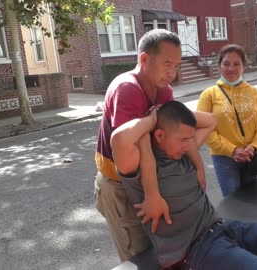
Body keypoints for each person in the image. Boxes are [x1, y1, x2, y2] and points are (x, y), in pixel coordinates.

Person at [111, 100, 257, 270]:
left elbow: (211, 120)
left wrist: (163, 111)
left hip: (222, 227)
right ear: (159, 136)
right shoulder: (140, 165)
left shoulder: (182, 152)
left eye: (189, 139)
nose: (189, 144)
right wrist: (151, 119)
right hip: (194, 251)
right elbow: (119, 139)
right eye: (183, 139)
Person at [94, 29, 206, 262]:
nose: (172, 72)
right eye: (167, 64)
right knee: (138, 254)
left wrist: (199, 168)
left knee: (161, 250)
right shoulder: (127, 89)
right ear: (144, 59)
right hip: (121, 186)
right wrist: (153, 194)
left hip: (148, 177)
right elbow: (136, 144)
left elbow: (179, 131)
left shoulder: (164, 91)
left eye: (176, 66)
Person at [197, 44, 257, 197]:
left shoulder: (255, 93)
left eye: (236, 64)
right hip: (223, 157)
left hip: (251, 156)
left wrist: (253, 147)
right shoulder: (209, 95)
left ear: (243, 66)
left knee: (253, 199)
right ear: (219, 65)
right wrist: (231, 150)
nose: (231, 68)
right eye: (226, 64)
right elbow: (203, 129)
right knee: (233, 204)